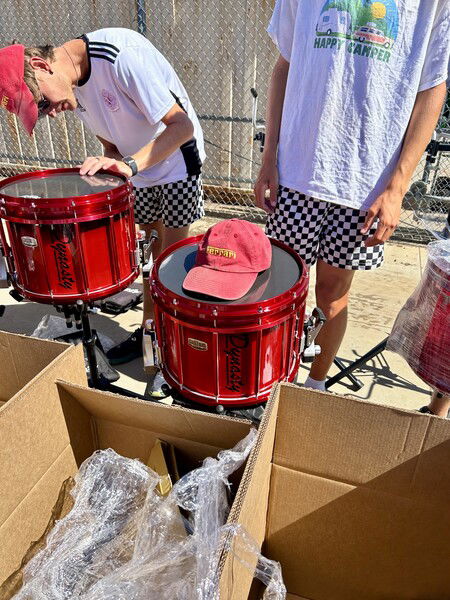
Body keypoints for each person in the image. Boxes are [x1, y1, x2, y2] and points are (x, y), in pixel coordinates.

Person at [254, 0, 450, 392]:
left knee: (332, 295)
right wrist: (268, 158)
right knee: (277, 291)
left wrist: (397, 188)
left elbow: (431, 88)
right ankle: (270, 383)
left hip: (364, 185)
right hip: (296, 172)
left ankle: (314, 386)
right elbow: (284, 65)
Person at [0, 28, 205, 375]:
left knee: (169, 273)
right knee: (148, 267)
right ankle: (150, 340)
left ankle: (173, 359)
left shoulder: (119, 58)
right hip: (137, 171)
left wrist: (129, 165)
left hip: (175, 166)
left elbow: (181, 126)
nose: (51, 114)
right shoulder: (74, 86)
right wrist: (107, 164)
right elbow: (111, 144)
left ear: (40, 66)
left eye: (44, 104)